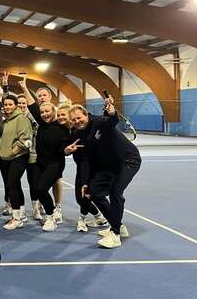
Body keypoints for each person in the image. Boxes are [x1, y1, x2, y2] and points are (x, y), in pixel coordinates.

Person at [67, 97, 141, 248]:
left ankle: (115, 235)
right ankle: (118, 225)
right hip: (109, 165)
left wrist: (112, 112)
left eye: (79, 118)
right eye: (73, 120)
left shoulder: (99, 122)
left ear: (86, 115)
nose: (77, 121)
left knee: (115, 192)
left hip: (128, 159)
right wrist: (85, 182)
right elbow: (86, 159)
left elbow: (111, 121)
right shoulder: (77, 134)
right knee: (94, 193)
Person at [20, 78, 71, 232]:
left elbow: (64, 148)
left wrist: (67, 151)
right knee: (36, 189)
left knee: (42, 188)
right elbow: (32, 105)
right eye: (42, 112)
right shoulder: (41, 123)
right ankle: (52, 213)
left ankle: (51, 216)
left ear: (53, 112)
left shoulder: (62, 128)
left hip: (55, 164)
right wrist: (24, 88)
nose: (44, 114)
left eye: (47, 111)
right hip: (40, 162)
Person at [58, 103, 107, 232]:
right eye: (59, 115)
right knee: (80, 198)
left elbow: (107, 121)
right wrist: (66, 150)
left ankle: (83, 219)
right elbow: (64, 148)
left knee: (86, 195)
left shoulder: (84, 128)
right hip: (81, 166)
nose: (61, 117)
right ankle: (100, 217)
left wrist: (110, 112)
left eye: (64, 115)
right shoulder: (69, 131)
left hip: (92, 167)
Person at [0, 94, 33, 230]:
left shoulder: (22, 119)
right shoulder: (6, 120)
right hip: (6, 158)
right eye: (5, 104)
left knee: (11, 184)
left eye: (10, 104)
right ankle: (22, 214)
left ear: (16, 105)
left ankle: (16, 218)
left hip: (18, 157)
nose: (7, 107)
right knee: (15, 185)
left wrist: (12, 152)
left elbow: (25, 139)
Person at [17, 94, 42, 220]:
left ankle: (36, 209)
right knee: (15, 182)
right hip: (17, 155)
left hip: (32, 154)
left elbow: (38, 130)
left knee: (34, 183)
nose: (21, 105)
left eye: (24, 103)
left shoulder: (33, 117)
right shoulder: (14, 117)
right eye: (19, 103)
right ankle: (19, 210)